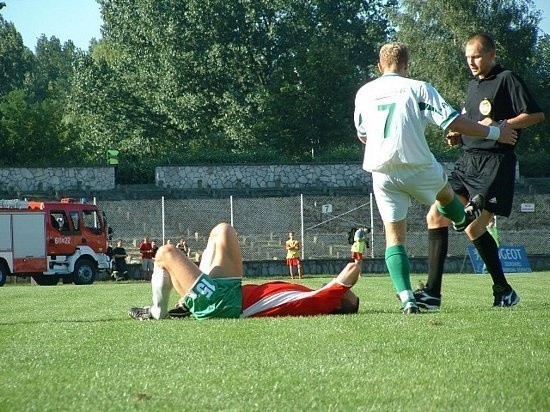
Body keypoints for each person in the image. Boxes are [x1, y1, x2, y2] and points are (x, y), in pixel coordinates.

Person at [353, 42, 518, 313]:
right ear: (406, 65)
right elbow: (452, 121)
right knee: (444, 196)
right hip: (418, 166)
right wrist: (494, 133)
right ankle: (462, 218)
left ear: (380, 66)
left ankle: (407, 298)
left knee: (394, 237)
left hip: (381, 171)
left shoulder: (364, 92)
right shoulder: (417, 87)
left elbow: (362, 134)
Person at [418, 33, 544, 310]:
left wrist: (502, 124)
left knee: (474, 225)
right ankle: (432, 294)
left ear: (491, 54)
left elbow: (535, 115)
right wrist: (458, 137)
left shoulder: (507, 78)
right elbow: (475, 124)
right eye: (467, 58)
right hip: (467, 162)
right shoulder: (472, 86)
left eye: (475, 56)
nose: (471, 62)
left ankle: (502, 289)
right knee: (436, 216)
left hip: (495, 162)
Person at [128, 223, 361, 320]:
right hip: (230, 293)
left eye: (347, 294)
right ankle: (187, 302)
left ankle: (158, 311)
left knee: (166, 253)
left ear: (338, 302)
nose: (339, 288)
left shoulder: (325, 301)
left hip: (223, 303)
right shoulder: (315, 297)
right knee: (223, 230)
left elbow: (352, 269)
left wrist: (359, 240)